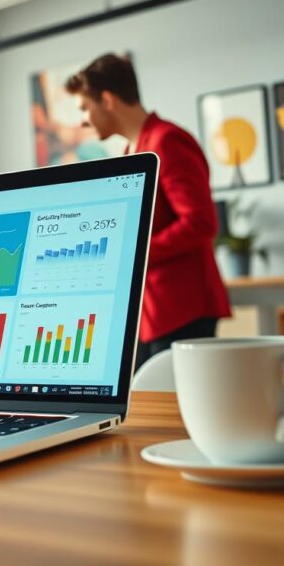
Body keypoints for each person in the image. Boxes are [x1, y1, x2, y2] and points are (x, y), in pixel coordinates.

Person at [64, 53, 231, 368]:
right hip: (151, 313)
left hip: (183, 309)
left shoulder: (167, 141)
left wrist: (135, 253)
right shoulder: (134, 149)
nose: (82, 120)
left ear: (108, 100)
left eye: (85, 108)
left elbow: (200, 222)